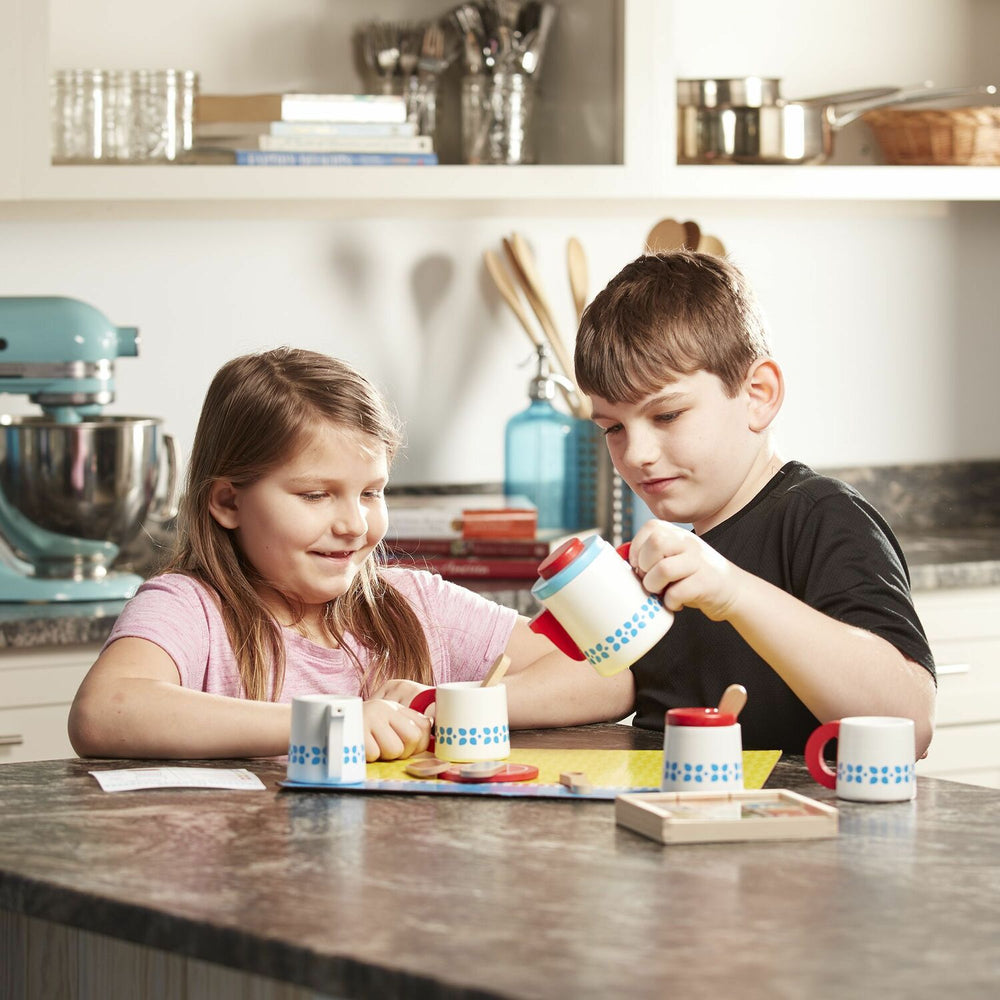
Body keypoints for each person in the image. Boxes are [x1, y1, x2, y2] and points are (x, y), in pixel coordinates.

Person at [69, 348, 631, 762]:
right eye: (315, 495)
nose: (354, 525)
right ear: (226, 501)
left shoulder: (415, 603)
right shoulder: (189, 608)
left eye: (370, 492)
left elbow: (611, 675)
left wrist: (448, 702)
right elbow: (106, 710)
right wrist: (331, 722)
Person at [573, 250, 936, 755]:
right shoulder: (677, 556)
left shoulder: (819, 516)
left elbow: (909, 721)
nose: (636, 454)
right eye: (613, 427)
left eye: (668, 415)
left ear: (758, 394)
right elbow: (612, 679)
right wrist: (438, 704)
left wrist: (732, 592)